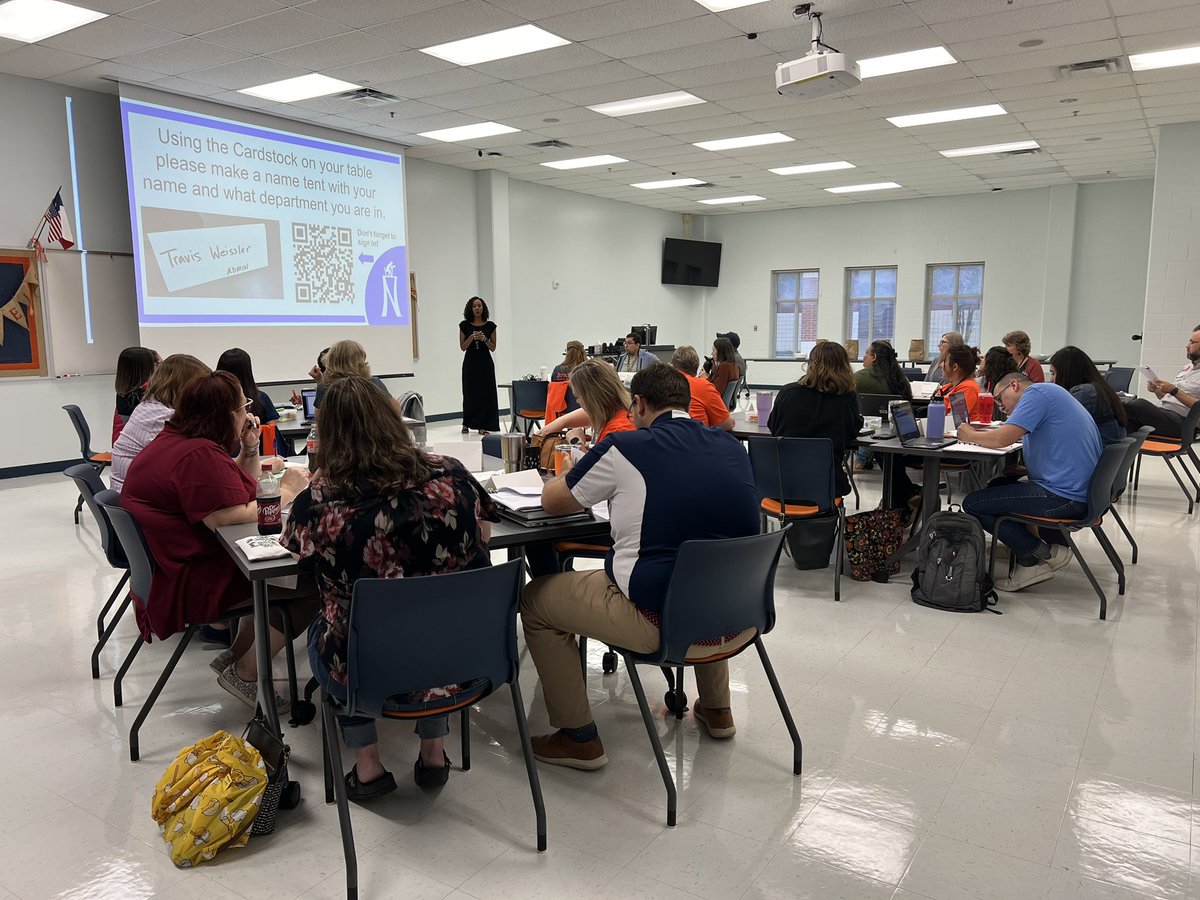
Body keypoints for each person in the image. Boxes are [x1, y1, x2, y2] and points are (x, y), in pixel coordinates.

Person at [520, 364, 759, 769]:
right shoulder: (731, 446)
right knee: (706, 565)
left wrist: (555, 476)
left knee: (536, 601)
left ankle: (577, 736)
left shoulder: (628, 447)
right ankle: (717, 709)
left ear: (641, 404)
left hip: (655, 620)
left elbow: (554, 502)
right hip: (737, 615)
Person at [282, 376, 497, 800]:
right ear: (393, 420)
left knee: (331, 623)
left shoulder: (318, 502)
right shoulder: (451, 474)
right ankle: (434, 753)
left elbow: (298, 559)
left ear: (328, 436)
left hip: (364, 664)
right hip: (462, 653)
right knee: (431, 616)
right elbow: (484, 536)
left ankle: (368, 767)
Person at [120, 371, 316, 711]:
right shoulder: (195, 455)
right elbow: (226, 515)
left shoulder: (180, 441)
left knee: (276, 576)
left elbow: (232, 485)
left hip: (171, 568)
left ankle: (238, 655)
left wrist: (251, 447)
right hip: (190, 579)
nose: (247, 413)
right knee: (311, 583)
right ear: (227, 415)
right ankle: (247, 670)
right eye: (243, 407)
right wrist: (287, 492)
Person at [957, 372, 1102, 592]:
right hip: (1078, 492)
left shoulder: (1036, 394)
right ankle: (1023, 545)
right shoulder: (1052, 393)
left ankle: (1035, 556)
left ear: (1014, 385)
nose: (1001, 407)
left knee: (973, 504)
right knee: (997, 487)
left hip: (1063, 498)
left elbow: (1001, 439)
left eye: (999, 399)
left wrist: (970, 435)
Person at [768, 340, 863, 498]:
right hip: (826, 485)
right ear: (845, 366)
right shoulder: (847, 398)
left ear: (810, 363)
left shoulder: (787, 392)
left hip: (781, 484)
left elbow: (773, 427)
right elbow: (850, 433)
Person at [111, 354, 211, 492]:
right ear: (184, 387)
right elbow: (198, 458)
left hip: (127, 493)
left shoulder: (148, 406)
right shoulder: (164, 417)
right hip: (136, 496)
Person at [535, 358, 635, 446]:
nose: (578, 402)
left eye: (578, 397)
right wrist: (561, 422)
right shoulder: (624, 414)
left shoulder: (616, 432)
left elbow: (592, 467)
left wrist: (576, 442)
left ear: (592, 398)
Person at [1123, 326, 1200, 438]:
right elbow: (1174, 400)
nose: (1187, 346)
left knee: (1137, 405)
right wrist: (1158, 392)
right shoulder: (1187, 368)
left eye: (1192, 342)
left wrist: (1174, 390)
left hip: (1185, 424)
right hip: (1165, 415)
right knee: (1120, 419)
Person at [1048, 346, 1128, 444]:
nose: (1051, 380)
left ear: (1067, 373)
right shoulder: (1097, 388)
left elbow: (1060, 426)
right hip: (1108, 453)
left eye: (1053, 373)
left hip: (1097, 453)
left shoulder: (1085, 393)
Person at [852, 340, 911, 471]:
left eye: (867, 353)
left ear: (874, 357)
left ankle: (858, 462)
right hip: (898, 429)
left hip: (868, 426)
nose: (864, 356)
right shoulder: (901, 378)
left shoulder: (859, 377)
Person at [216, 348, 280, 454]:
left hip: (219, 455)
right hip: (258, 455)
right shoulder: (260, 398)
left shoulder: (210, 400)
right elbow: (271, 431)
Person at [459, 296, 500, 434]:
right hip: (470, 363)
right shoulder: (464, 325)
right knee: (469, 393)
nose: (477, 308)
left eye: (479, 306)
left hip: (485, 364)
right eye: (475, 306)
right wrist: (471, 337)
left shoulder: (490, 326)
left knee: (485, 394)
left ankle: (483, 425)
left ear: (483, 308)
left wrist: (485, 339)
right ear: (470, 308)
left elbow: (493, 347)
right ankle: (467, 423)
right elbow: (463, 347)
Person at [670, 346, 734, 430]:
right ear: (696, 368)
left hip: (663, 439)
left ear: (672, 365)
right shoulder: (703, 386)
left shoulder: (659, 384)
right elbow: (728, 423)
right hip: (695, 439)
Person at [314, 340, 391, 409]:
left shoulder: (325, 387)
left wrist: (319, 381)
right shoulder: (374, 383)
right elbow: (395, 409)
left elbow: (320, 419)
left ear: (330, 361)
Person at [113, 346, 158, 443]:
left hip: (122, 444)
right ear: (147, 367)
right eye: (156, 365)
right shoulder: (142, 396)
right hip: (137, 450)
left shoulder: (124, 393)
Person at [932, 345, 984, 419]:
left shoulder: (968, 388)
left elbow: (954, 419)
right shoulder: (949, 387)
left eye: (944, 361)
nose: (941, 365)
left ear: (955, 367)